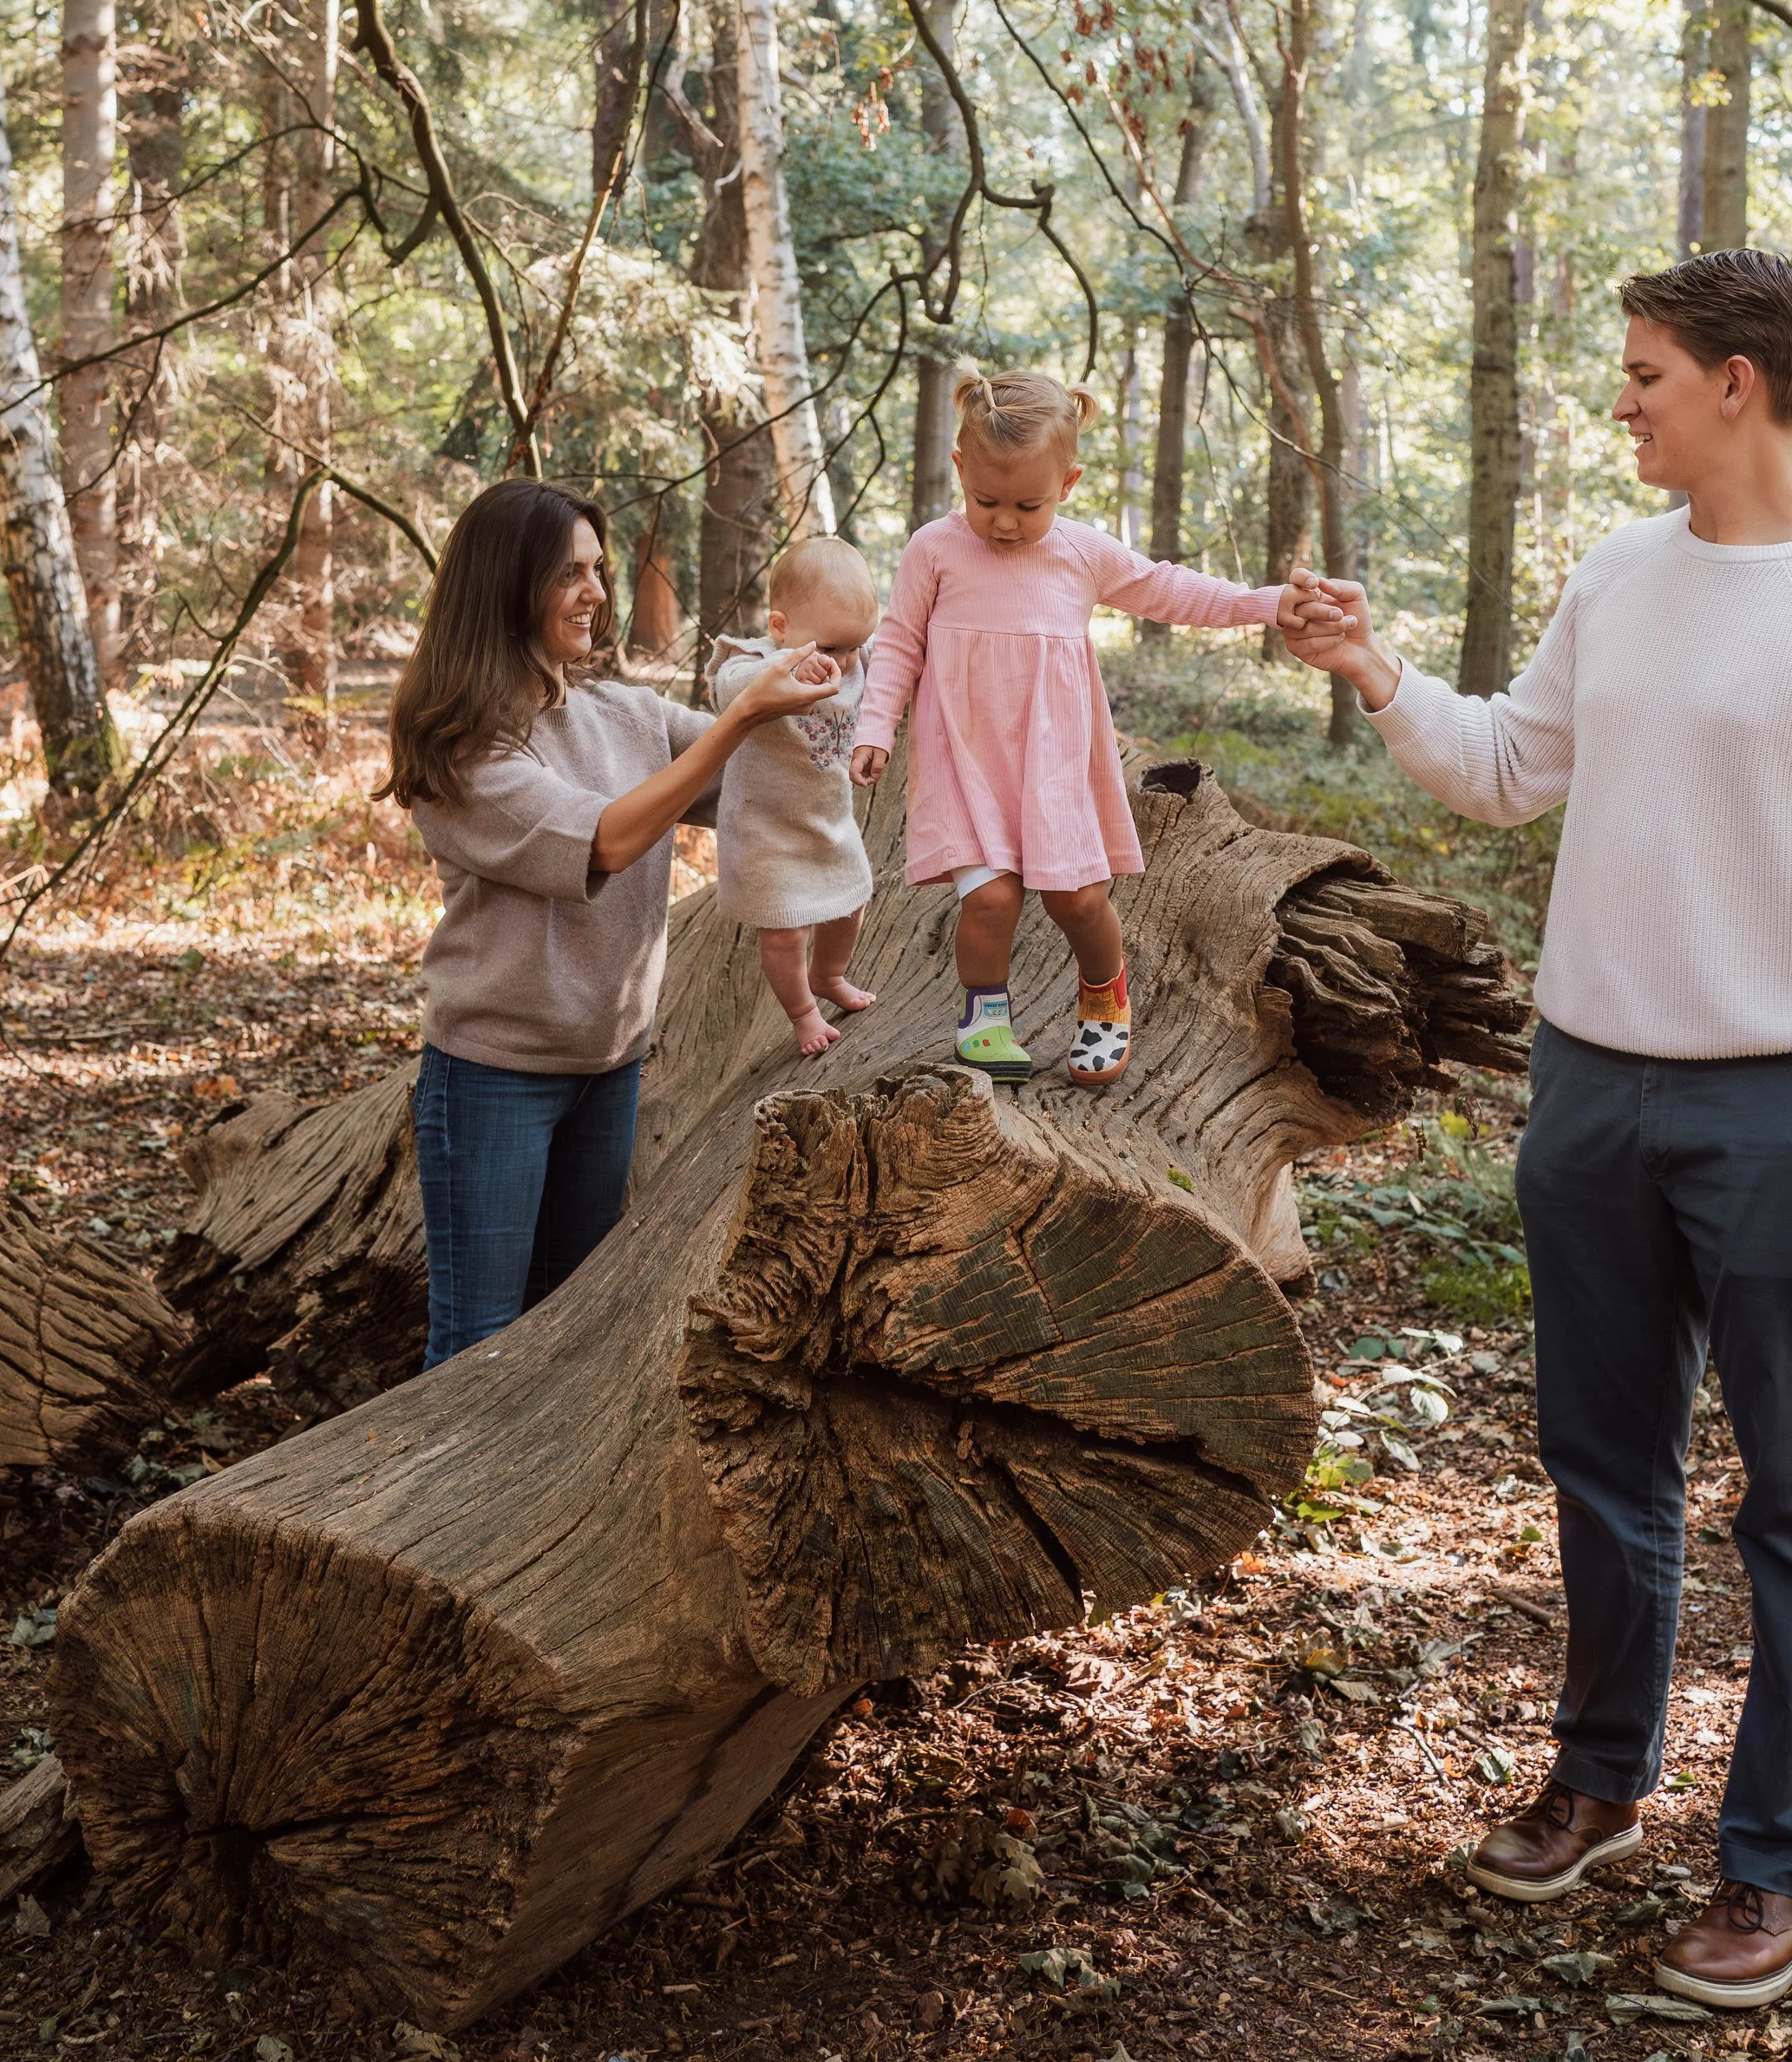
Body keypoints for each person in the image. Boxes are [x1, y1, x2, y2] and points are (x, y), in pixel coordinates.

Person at [1279, 249, 1792, 2011]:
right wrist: (1374, 669)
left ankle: (1778, 1868)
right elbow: (1514, 768)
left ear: (1737, 382)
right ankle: (1601, 1779)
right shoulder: (1615, 573)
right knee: (1602, 1472)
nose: (1618, 401)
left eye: (1642, 374)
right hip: (1593, 1088)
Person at [386, 478, 836, 1367]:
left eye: (598, 569)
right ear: (506, 587)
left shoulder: (620, 712)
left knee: (571, 1336)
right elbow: (608, 841)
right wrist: (743, 713)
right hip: (493, 1078)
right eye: (568, 576)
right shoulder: (464, 752)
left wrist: (855, 691)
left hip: (610, 1068)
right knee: (479, 1343)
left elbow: (749, 782)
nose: (595, 593)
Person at [849, 363, 1298, 1087]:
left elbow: (1170, 590)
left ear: (1069, 484)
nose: (1002, 521)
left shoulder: (1082, 553)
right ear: (959, 469)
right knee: (990, 898)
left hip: (1053, 760)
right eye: (984, 499)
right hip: (965, 756)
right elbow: (900, 641)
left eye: (1027, 505)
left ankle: (1104, 994)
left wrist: (1266, 604)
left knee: (1077, 897)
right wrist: (874, 727)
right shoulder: (933, 549)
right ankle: (986, 1016)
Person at [712, 534, 881, 1056]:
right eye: (831, 648)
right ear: (780, 627)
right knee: (785, 933)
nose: (845, 661)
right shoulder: (755, 661)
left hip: (829, 822)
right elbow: (728, 682)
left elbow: (897, 643)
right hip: (766, 832)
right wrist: (782, 669)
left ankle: (829, 976)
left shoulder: (854, 656)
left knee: (849, 905)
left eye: (855, 645)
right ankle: (803, 1011)